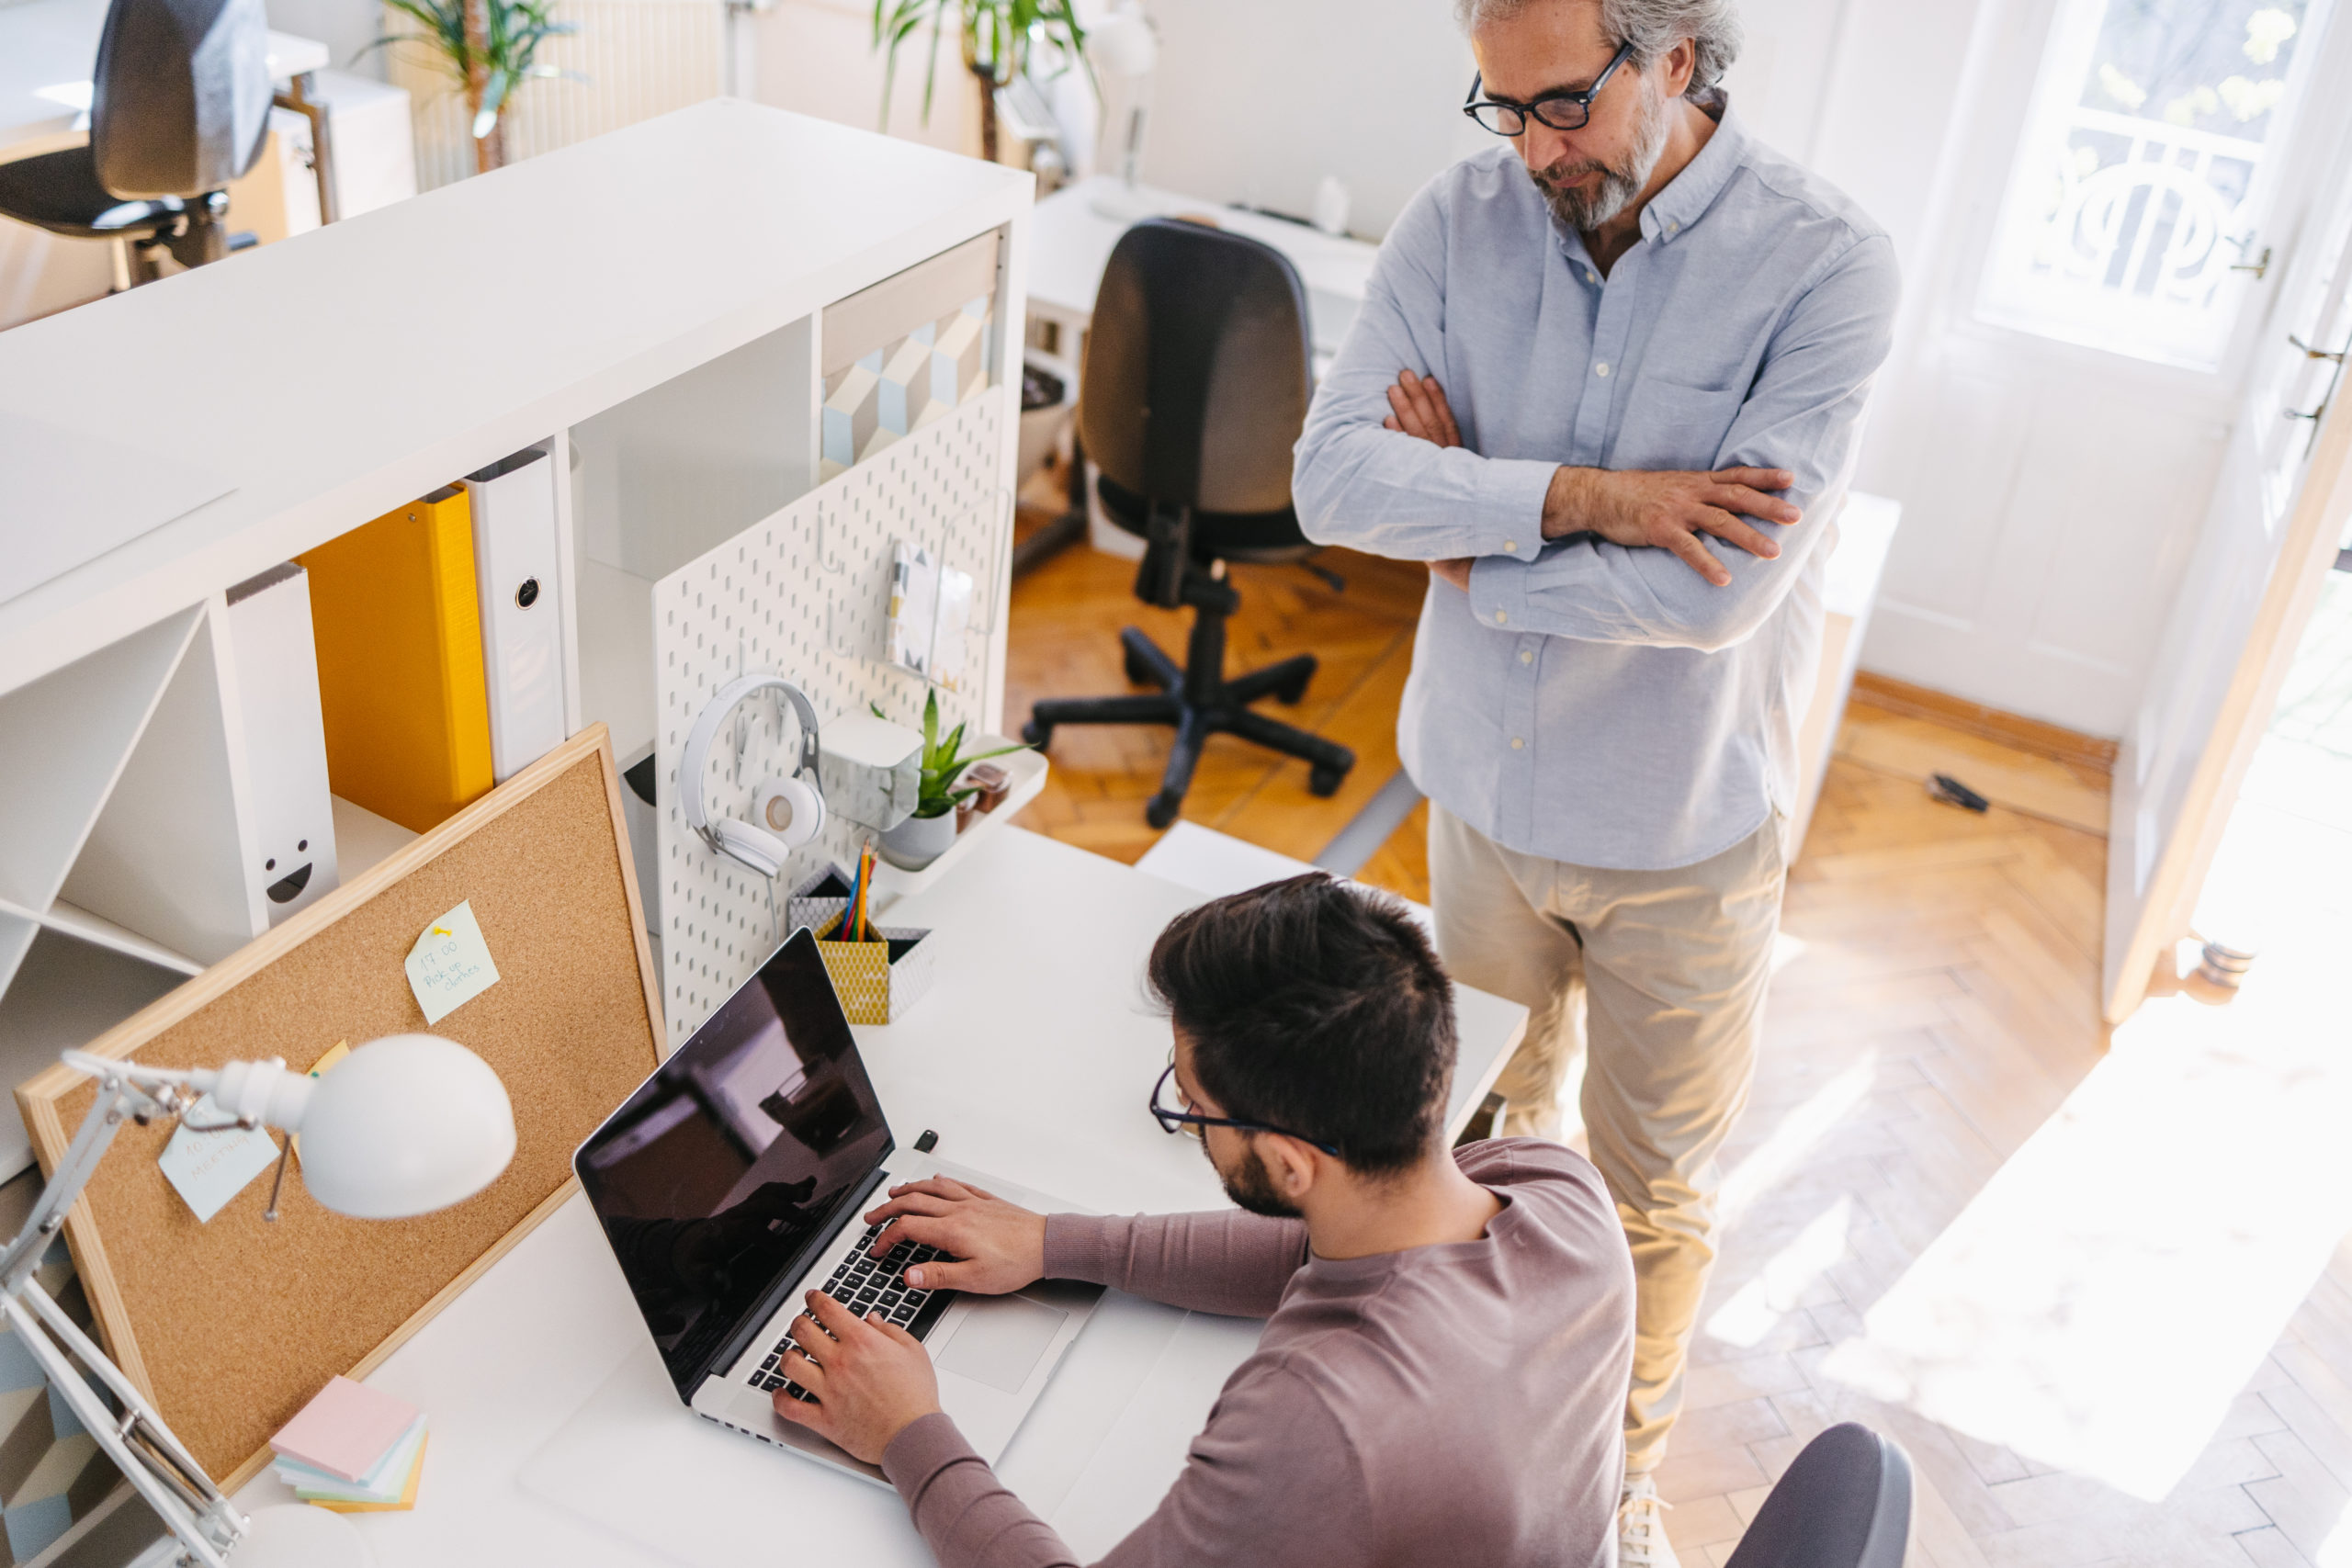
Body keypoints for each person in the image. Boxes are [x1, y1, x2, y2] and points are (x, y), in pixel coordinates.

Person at [1286, 0, 1900, 1560]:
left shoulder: (1826, 264)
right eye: (1500, 108)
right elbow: (1332, 478)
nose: (1531, 148)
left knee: (1646, 1201)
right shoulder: (1460, 214)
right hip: (1485, 816)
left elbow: (1718, 600)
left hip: (1684, 834)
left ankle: (1614, 1478)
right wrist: (1591, 500)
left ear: (1675, 57)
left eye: (1562, 106)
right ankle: (1466, 1436)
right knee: (1476, 1142)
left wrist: (1468, 530)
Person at [769, 873, 1636, 1567]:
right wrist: (1055, 1242)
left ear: (1294, 1162)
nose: (1184, 1116)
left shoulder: (1317, 1423)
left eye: (1193, 1105)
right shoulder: (1554, 1188)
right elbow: (1311, 1242)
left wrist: (907, 1431)